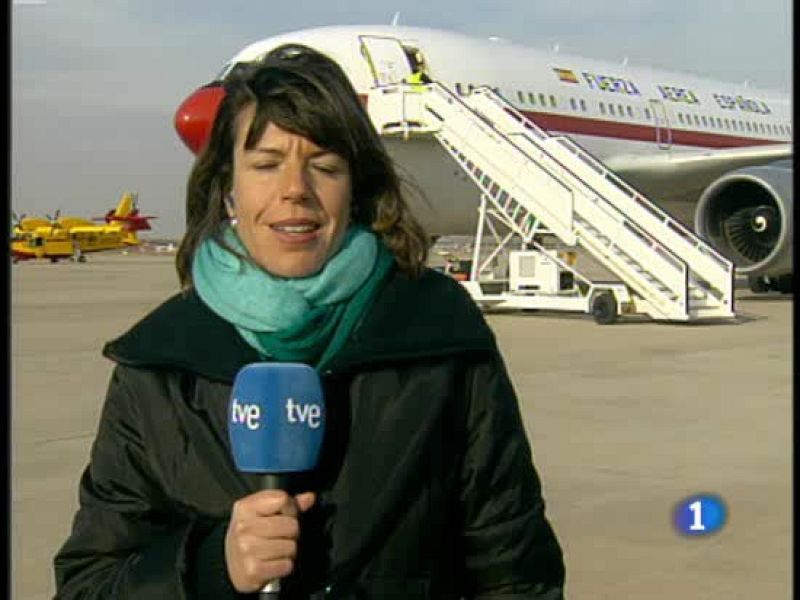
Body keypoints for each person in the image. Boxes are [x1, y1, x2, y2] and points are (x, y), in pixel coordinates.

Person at [53, 44, 565, 599]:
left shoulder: (442, 338)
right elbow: (88, 584)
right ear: (228, 190)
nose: (295, 189)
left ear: (355, 189)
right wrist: (210, 565)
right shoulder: (158, 363)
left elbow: (515, 570)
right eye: (266, 164)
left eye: (324, 166)